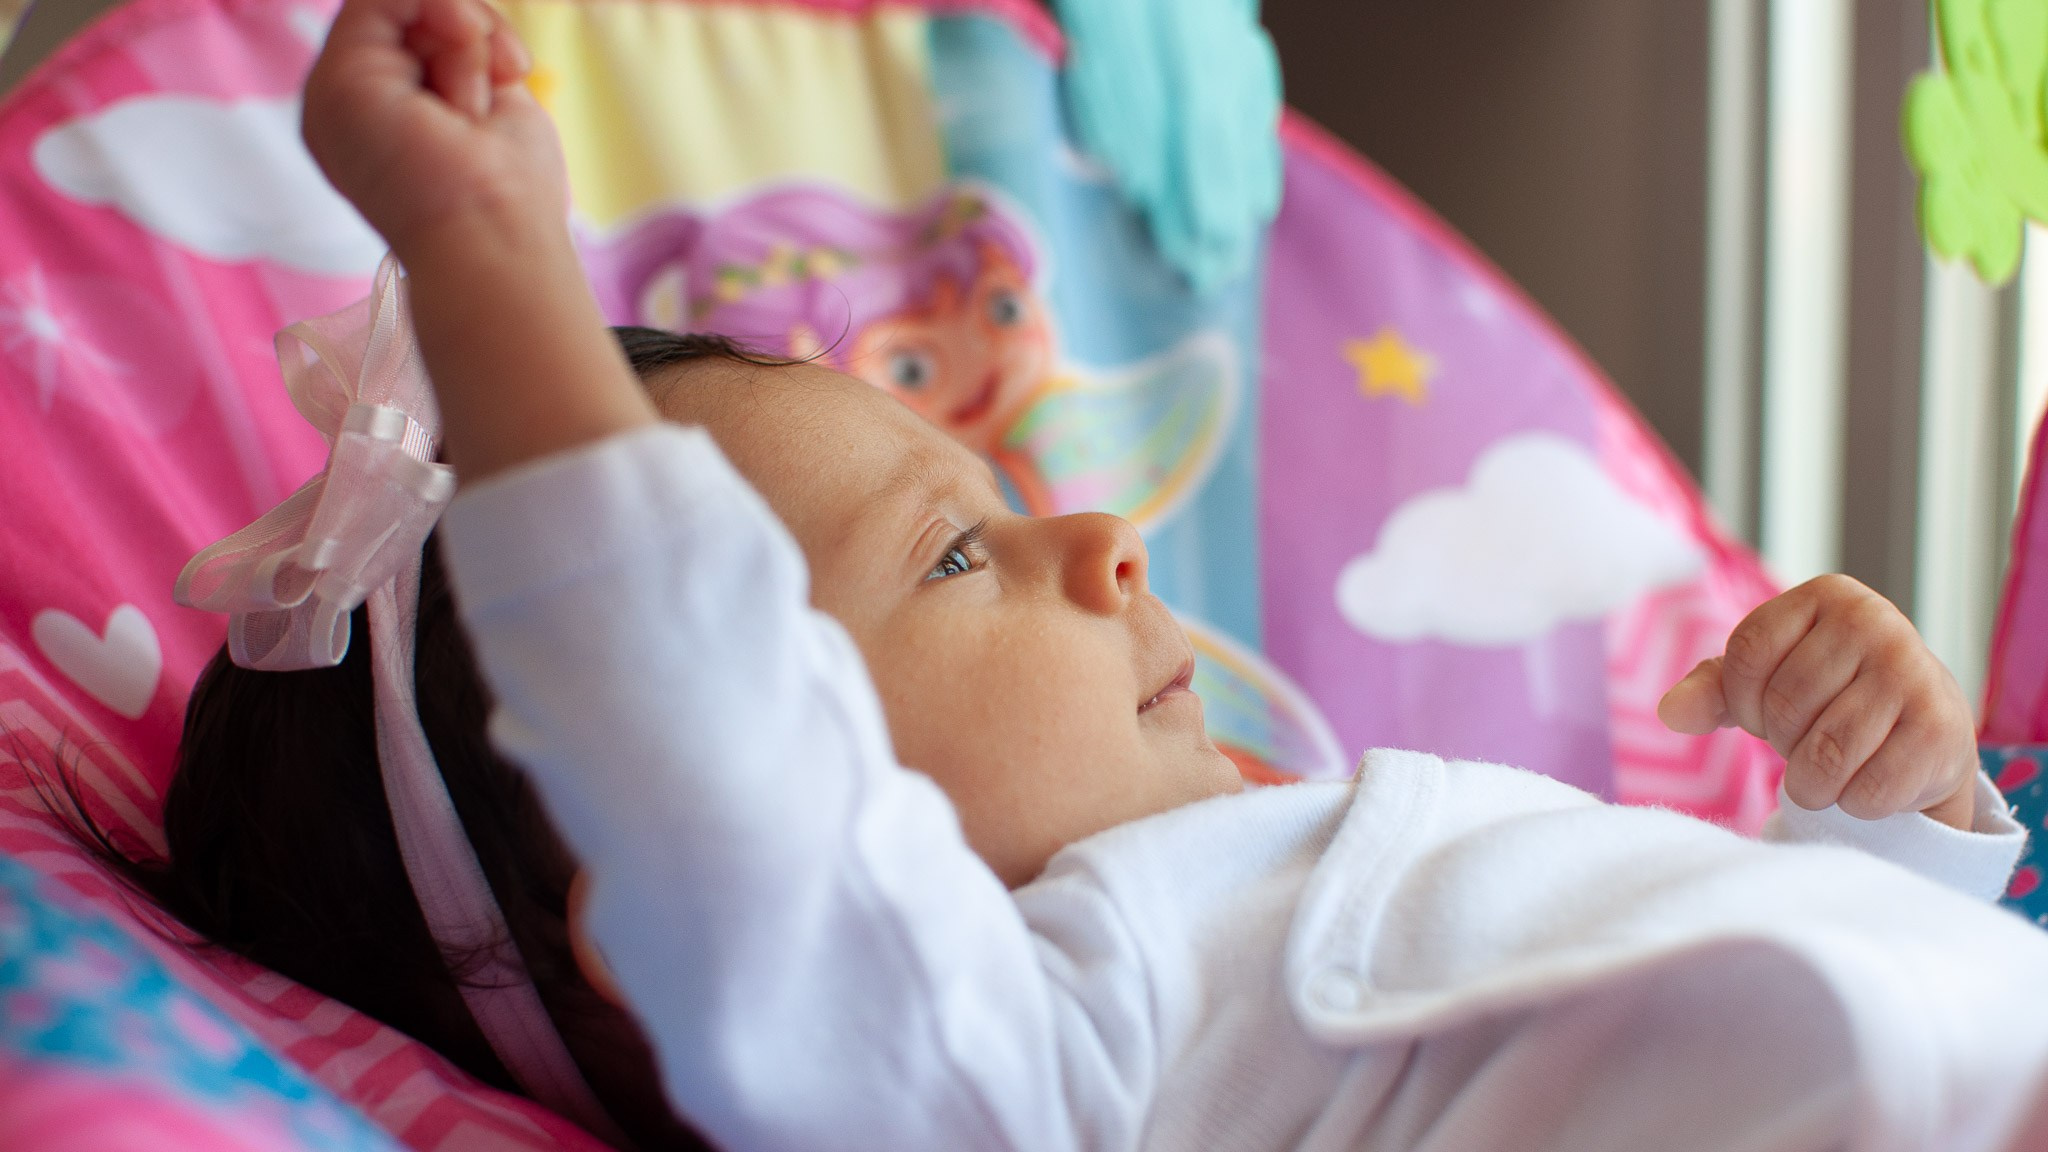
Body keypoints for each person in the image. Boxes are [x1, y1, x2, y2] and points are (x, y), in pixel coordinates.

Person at [102, 0, 2048, 1148]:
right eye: (954, 553)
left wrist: (1886, 811)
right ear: (679, 909)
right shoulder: (1015, 1056)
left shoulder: (1280, 864)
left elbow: (1729, 1004)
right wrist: (485, 262)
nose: (1105, 543)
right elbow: (702, 753)